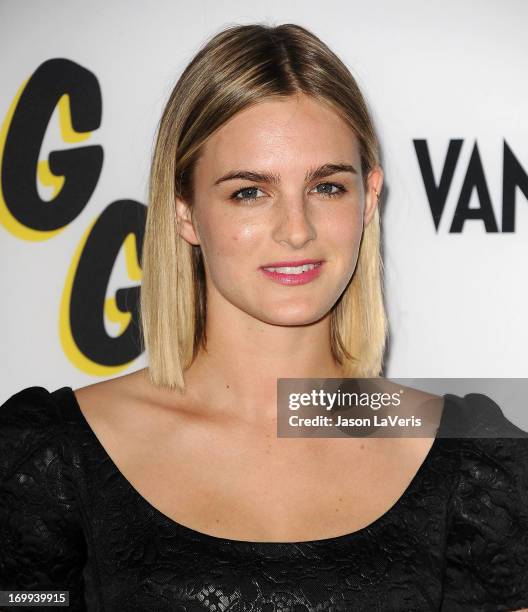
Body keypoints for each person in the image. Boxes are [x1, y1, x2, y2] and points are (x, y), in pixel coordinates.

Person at [1, 22, 528, 612]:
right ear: (185, 213)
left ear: (369, 198)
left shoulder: (474, 463)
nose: (296, 229)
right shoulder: (51, 458)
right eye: (249, 192)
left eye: (327, 187)